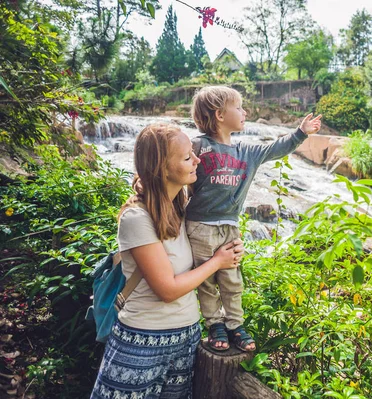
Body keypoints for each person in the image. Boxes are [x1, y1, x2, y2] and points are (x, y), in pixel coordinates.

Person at [91, 123, 244, 399]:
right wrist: (217, 262)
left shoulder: (183, 210)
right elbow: (167, 290)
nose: (198, 160)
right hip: (141, 343)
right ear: (162, 168)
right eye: (187, 157)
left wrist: (229, 248)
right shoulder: (136, 218)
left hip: (186, 339)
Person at [186, 86, 322, 352]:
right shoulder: (198, 146)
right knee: (206, 281)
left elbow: (275, 148)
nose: (245, 112)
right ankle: (214, 324)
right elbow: (176, 168)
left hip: (230, 226)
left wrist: (300, 133)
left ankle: (235, 325)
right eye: (239, 107)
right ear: (219, 114)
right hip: (199, 226)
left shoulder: (246, 151)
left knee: (232, 279)